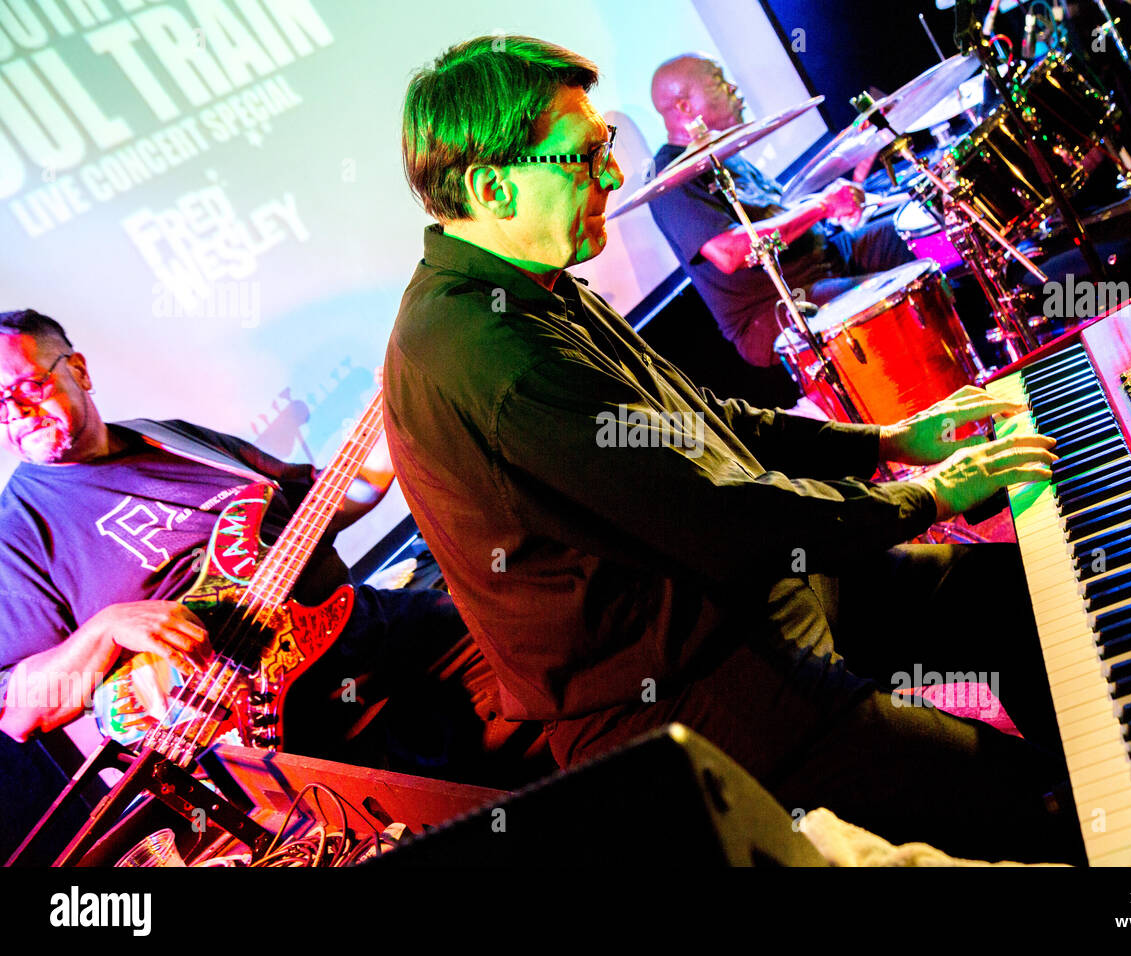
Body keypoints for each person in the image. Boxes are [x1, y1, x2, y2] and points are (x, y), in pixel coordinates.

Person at [385, 34, 1084, 863]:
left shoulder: (528, 286)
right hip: (695, 687)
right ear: (491, 186)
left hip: (743, 604)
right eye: (584, 157)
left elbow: (706, 421)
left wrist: (888, 441)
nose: (611, 177)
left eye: (604, 149)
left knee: (1019, 597)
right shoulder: (493, 355)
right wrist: (927, 497)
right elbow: (721, 515)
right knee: (1040, 809)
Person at [0, 309, 534, 782]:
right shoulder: (20, 532)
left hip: (363, 630)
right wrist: (105, 627)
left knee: (534, 639)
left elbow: (323, 505)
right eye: (0, 404)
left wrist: (399, 411)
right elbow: (20, 713)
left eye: (29, 386)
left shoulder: (170, 438)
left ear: (79, 370)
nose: (16, 411)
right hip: (278, 726)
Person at [646, 54, 915, 368]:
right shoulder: (671, 178)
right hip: (775, 306)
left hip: (824, 259)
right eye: (720, 81)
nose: (735, 88)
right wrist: (821, 207)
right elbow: (731, 252)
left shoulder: (722, 152)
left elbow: (775, 212)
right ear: (684, 107)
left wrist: (831, 209)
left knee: (911, 231)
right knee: (891, 295)